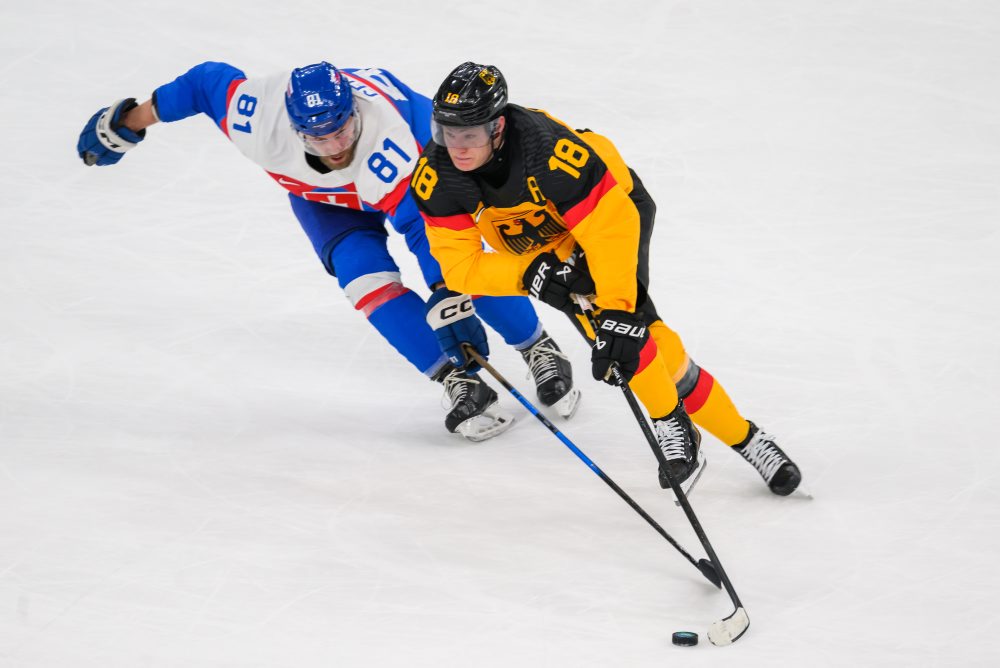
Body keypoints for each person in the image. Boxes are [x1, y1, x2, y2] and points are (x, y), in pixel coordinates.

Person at [76, 61, 582, 442]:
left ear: (355, 112)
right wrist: (130, 120)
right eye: (316, 138)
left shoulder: (390, 140)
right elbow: (204, 84)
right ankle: (457, 381)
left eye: (341, 129)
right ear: (292, 127)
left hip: (419, 176)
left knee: (459, 269)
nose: (334, 146)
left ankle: (537, 346)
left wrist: (447, 291)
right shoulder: (256, 118)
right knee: (363, 279)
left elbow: (427, 229)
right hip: (326, 200)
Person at [409, 62, 802, 495]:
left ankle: (677, 425)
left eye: (470, 135)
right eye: (446, 133)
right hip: (549, 243)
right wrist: (531, 274)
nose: (457, 148)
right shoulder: (437, 175)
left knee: (625, 337)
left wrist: (617, 310)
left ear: (497, 127)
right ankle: (747, 439)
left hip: (613, 210)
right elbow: (460, 267)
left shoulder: (547, 151)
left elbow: (610, 228)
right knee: (643, 348)